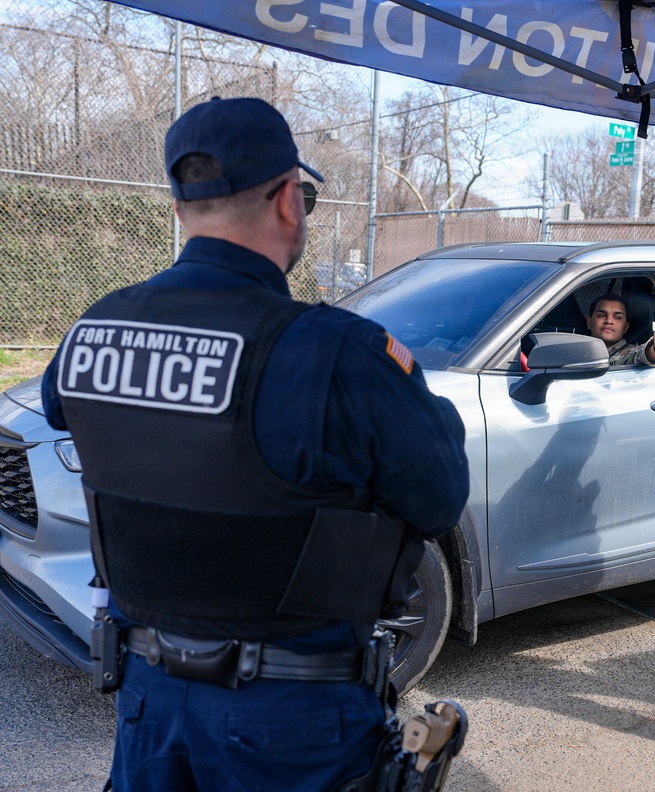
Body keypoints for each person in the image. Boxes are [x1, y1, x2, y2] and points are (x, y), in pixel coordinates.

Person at [40, 96, 470, 791]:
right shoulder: (338, 353)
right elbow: (439, 498)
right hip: (290, 721)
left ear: (181, 211)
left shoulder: (96, 328)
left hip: (148, 701)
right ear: (287, 203)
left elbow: (66, 409)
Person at [586, 292, 655, 365]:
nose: (609, 321)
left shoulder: (628, 353)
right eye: (601, 315)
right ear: (589, 322)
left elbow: (642, 355)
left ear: (626, 327)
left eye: (617, 317)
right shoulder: (578, 350)